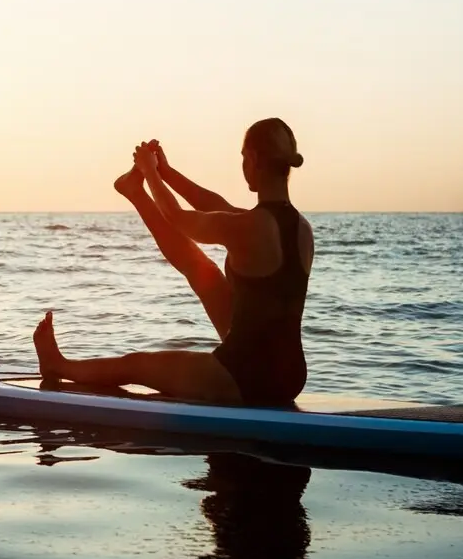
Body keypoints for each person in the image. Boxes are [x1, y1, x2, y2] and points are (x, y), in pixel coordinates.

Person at [32, 118, 313, 406]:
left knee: (137, 365)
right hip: (289, 376)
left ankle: (58, 365)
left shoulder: (250, 226)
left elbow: (178, 218)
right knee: (204, 271)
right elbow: (214, 204)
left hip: (244, 377)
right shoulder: (301, 228)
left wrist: (150, 172)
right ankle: (135, 192)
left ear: (252, 159)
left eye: (243, 158)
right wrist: (166, 173)